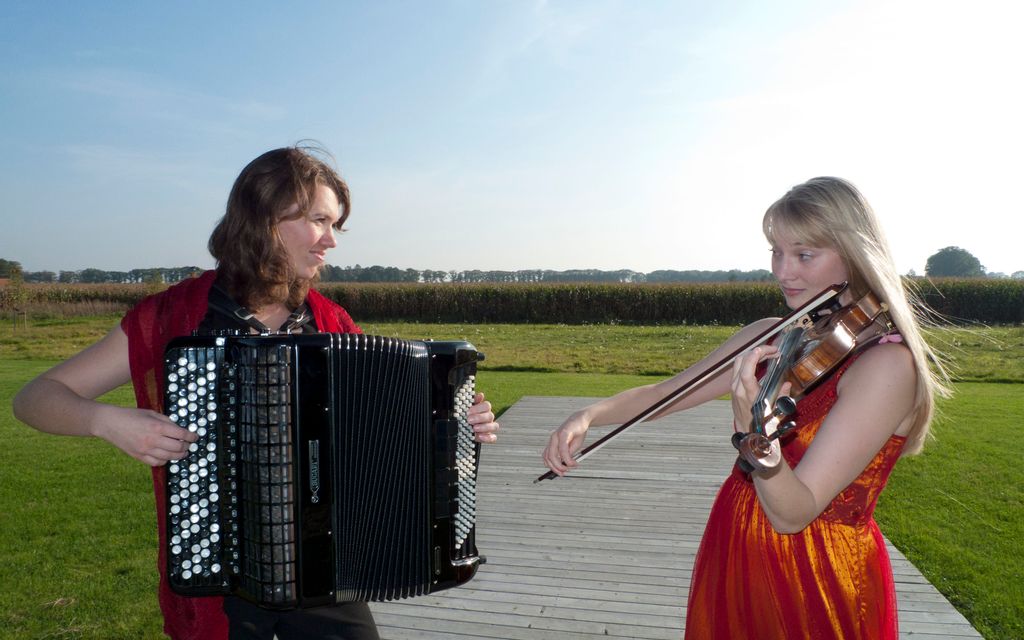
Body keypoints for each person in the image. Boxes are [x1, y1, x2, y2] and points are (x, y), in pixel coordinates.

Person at [13, 144, 501, 640]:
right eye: (319, 220)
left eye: (335, 224)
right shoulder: (171, 317)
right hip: (220, 581)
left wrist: (453, 423)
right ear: (265, 218)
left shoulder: (331, 323)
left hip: (327, 570)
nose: (331, 240)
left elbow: (385, 435)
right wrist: (105, 421)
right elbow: (35, 397)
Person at [542, 176, 950, 640]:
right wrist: (588, 416)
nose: (783, 271)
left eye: (804, 255)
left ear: (854, 254)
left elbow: (794, 513)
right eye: (776, 252)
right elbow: (669, 392)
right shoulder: (776, 334)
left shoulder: (885, 367)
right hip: (738, 542)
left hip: (815, 574)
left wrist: (750, 430)